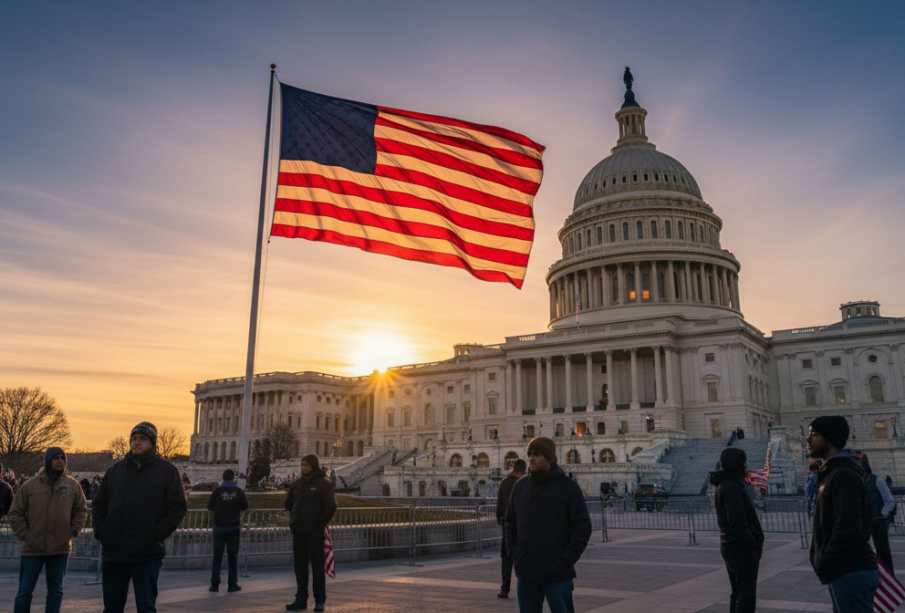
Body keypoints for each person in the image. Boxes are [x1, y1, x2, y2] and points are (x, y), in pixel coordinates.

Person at [92, 422, 187, 613]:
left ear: (152, 442)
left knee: (146, 607)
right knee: (111, 608)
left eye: (142, 439)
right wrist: (102, 532)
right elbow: (99, 504)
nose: (137, 442)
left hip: (147, 552)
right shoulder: (115, 471)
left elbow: (177, 507)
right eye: (134, 438)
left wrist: (156, 533)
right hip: (114, 551)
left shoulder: (166, 471)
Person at [505, 437, 592, 613]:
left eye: (537, 454)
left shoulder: (567, 487)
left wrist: (566, 558)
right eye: (529, 454)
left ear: (550, 458)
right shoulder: (520, 487)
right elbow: (510, 522)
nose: (531, 458)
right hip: (527, 571)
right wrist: (515, 554)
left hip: (557, 573)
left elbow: (582, 525)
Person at [807, 416, 878, 613]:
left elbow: (848, 526)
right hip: (844, 568)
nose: (807, 439)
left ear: (829, 439)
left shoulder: (841, 474)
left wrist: (826, 560)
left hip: (850, 569)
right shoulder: (832, 472)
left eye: (814, 434)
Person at [8, 447, 88, 613]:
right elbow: (15, 512)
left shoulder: (72, 485)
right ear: (48, 461)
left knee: (56, 591)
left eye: (63, 458)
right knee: (24, 591)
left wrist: (73, 531)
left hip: (60, 547)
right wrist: (25, 535)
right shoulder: (30, 486)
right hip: (32, 547)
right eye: (56, 458)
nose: (60, 462)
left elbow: (81, 509)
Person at [710, 447, 764, 613]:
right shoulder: (731, 487)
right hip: (740, 548)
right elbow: (737, 521)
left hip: (732, 546)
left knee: (739, 593)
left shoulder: (727, 484)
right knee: (745, 596)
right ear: (736, 463)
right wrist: (752, 543)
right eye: (743, 461)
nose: (746, 465)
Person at [285, 454, 337, 612]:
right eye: (302, 465)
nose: (303, 468)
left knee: (317, 567)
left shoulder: (323, 484)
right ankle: (301, 598)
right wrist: (295, 518)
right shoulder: (297, 484)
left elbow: (331, 506)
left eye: (306, 465)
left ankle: (320, 600)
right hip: (299, 531)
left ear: (313, 466)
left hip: (314, 532)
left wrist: (319, 524)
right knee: (300, 567)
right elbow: (288, 504)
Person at [208, 469, 249, 592]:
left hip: (219, 527)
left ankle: (214, 585)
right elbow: (245, 506)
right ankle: (232, 584)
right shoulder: (238, 491)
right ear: (233, 479)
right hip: (233, 528)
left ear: (223, 479)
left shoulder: (217, 491)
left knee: (217, 557)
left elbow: (210, 507)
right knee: (232, 557)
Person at [496, 459, 527, 599]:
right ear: (521, 472)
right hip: (521, 526)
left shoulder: (504, 482)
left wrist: (500, 519)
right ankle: (525, 587)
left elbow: (499, 503)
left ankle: (504, 588)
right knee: (521, 558)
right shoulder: (523, 483)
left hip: (507, 527)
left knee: (506, 558)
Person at [860, 455, 895, 574]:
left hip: (877, 521)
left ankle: (889, 579)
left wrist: (882, 514)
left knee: (883, 551)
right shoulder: (855, 483)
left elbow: (889, 500)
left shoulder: (877, 480)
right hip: (862, 522)